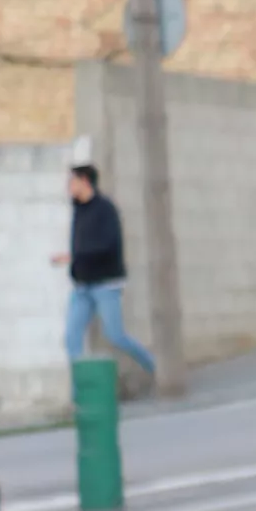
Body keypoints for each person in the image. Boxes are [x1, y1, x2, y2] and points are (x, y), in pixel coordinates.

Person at [53, 162, 156, 397]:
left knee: (116, 335)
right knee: (71, 338)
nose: (69, 186)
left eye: (72, 181)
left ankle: (156, 367)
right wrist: (74, 261)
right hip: (82, 286)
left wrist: (73, 256)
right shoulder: (78, 209)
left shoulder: (105, 209)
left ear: (85, 182)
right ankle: (81, 394)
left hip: (106, 284)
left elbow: (107, 246)